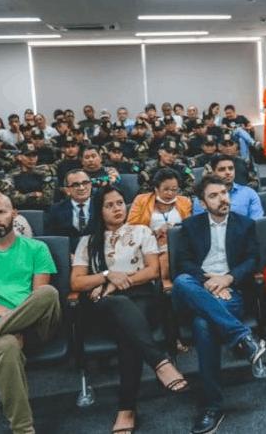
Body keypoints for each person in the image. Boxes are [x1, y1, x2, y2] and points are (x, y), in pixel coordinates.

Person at [71, 186, 188, 434]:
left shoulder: (141, 231)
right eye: (109, 205)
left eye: (120, 203)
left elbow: (152, 271)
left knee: (128, 333)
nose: (117, 208)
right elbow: (77, 282)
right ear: (99, 211)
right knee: (122, 310)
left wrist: (116, 283)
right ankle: (160, 362)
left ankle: (126, 409)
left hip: (141, 298)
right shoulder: (88, 242)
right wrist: (106, 275)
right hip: (103, 306)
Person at [171, 175, 266, 433]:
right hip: (197, 288)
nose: (222, 199)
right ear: (203, 203)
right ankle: (241, 336)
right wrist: (209, 282)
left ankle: (211, 406)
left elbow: (252, 260)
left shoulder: (245, 224)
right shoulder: (190, 226)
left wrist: (227, 279)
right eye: (213, 195)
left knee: (203, 325)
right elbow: (183, 263)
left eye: (224, 193)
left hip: (231, 291)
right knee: (181, 280)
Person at [0, 191, 61, 434]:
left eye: (1, 212)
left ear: (14, 214)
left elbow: (38, 297)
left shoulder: (37, 248)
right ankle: (23, 430)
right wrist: (7, 318)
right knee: (5, 346)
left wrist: (16, 320)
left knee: (48, 293)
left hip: (36, 326)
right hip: (4, 334)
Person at [127, 168, 193, 288]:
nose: (170, 193)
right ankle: (165, 281)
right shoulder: (141, 200)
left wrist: (174, 229)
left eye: (174, 189)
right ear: (156, 188)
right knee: (164, 253)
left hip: (177, 244)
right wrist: (155, 232)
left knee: (171, 249)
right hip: (149, 245)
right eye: (166, 189)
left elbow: (189, 226)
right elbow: (131, 228)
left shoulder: (185, 202)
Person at [193, 155, 263, 220]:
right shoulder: (202, 198)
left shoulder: (249, 193)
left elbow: (256, 222)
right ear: (213, 173)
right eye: (222, 169)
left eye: (231, 168)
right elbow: (200, 225)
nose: (228, 172)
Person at [45, 169, 94, 250]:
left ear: (91, 185)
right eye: (75, 185)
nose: (81, 188)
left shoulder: (101, 206)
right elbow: (51, 240)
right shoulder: (55, 210)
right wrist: (67, 254)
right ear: (67, 190)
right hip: (67, 254)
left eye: (85, 183)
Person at [8, 142, 55, 210]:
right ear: (19, 157)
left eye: (34, 156)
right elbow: (11, 199)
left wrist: (22, 197)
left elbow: (48, 199)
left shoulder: (44, 173)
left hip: (41, 211)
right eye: (28, 155)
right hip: (19, 211)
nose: (32, 159)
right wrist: (32, 195)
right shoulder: (12, 174)